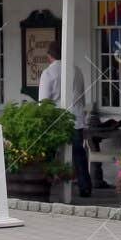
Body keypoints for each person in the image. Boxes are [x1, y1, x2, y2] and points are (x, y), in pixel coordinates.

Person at [37, 40, 92, 198]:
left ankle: (45, 182)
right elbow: (81, 97)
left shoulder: (48, 73)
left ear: (49, 56)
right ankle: (84, 186)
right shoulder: (77, 70)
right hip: (75, 117)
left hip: (55, 120)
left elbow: (44, 103)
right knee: (78, 153)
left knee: (50, 152)